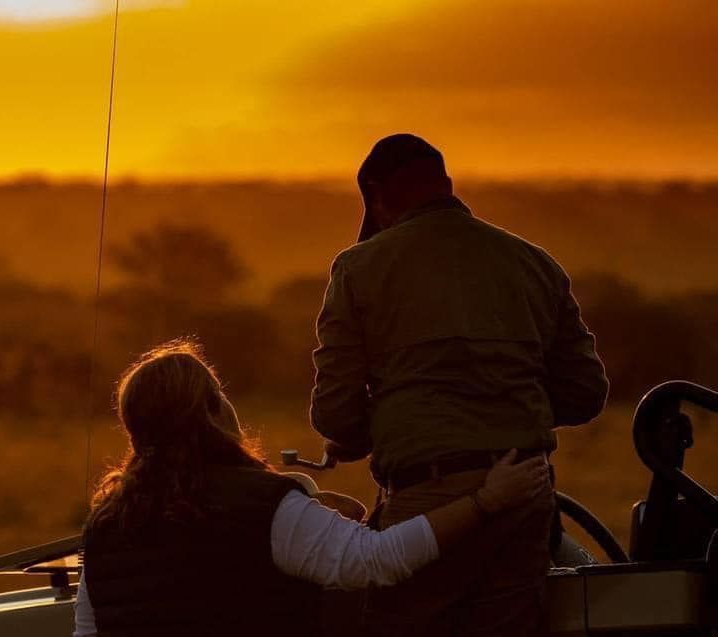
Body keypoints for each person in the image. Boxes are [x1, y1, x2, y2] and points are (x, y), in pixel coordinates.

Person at [310, 134, 609, 636]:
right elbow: (586, 392)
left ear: (377, 197)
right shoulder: (535, 263)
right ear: (446, 185)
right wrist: (502, 415)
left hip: (425, 500)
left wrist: (376, 430)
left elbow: (335, 414)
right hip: (524, 494)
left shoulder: (358, 268)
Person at [75, 340, 550, 637]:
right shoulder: (260, 506)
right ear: (213, 411)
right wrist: (485, 501)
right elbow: (376, 560)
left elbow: (88, 632)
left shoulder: (106, 523)